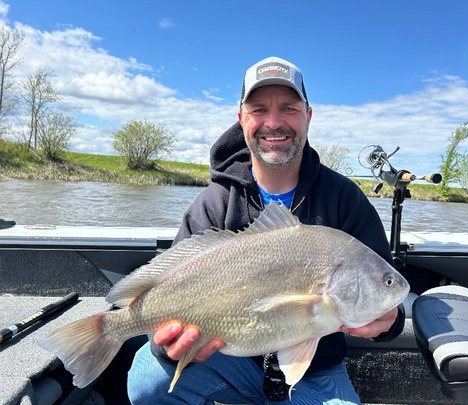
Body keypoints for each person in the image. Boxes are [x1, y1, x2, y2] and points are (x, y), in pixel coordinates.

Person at [127, 56, 405, 404]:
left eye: (288, 108)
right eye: (259, 109)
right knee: (146, 380)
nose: (274, 123)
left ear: (308, 116)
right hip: (225, 360)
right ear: (241, 118)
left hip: (317, 371)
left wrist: (389, 319)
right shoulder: (214, 203)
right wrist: (165, 346)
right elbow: (168, 290)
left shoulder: (345, 199)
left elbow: (391, 303)